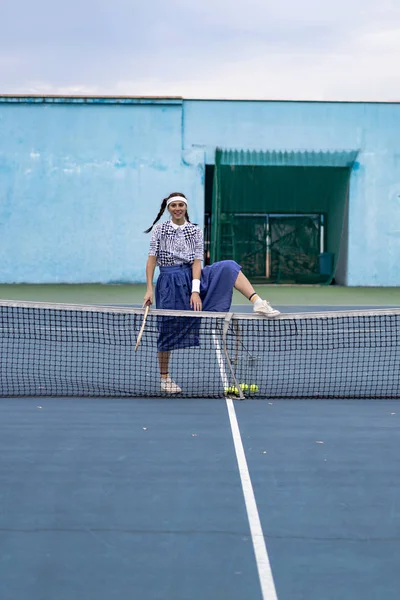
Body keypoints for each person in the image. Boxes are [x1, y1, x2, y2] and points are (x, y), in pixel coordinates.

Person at [143, 192, 280, 394]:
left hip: (192, 277)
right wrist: (148, 289)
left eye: (181, 205)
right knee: (166, 330)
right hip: (169, 282)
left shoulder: (195, 231)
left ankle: (258, 301)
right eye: (174, 205)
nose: (178, 208)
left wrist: (195, 291)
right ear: (168, 208)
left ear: (186, 207)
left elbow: (198, 261)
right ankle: (164, 378)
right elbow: (152, 260)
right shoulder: (159, 230)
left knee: (228, 267)